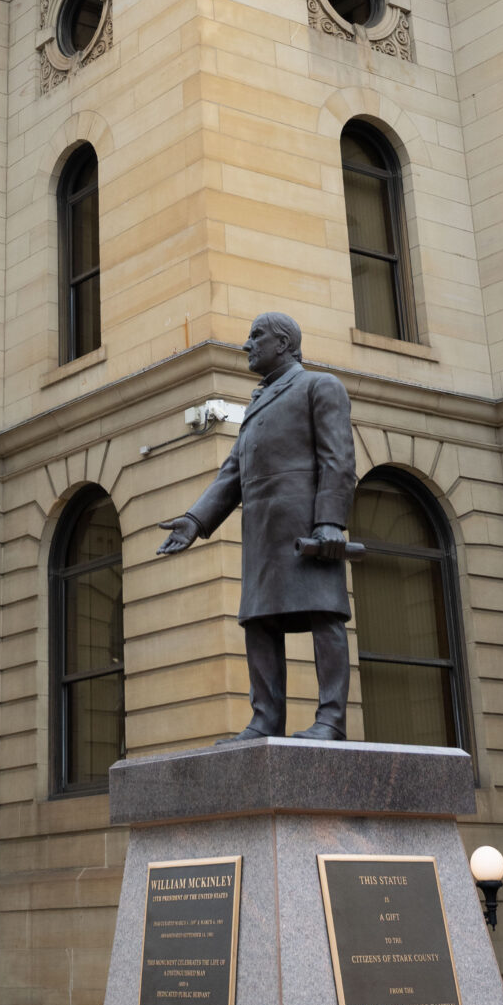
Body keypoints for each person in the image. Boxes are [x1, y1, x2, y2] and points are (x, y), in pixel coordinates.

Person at [157, 311, 356, 740]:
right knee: (260, 623)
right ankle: (265, 719)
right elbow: (233, 473)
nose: (248, 345)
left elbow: (338, 459)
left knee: (325, 618)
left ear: (283, 343)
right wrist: (195, 521)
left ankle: (331, 722)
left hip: (307, 529)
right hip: (262, 535)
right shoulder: (259, 402)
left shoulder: (319, 386)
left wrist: (329, 521)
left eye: (256, 336)